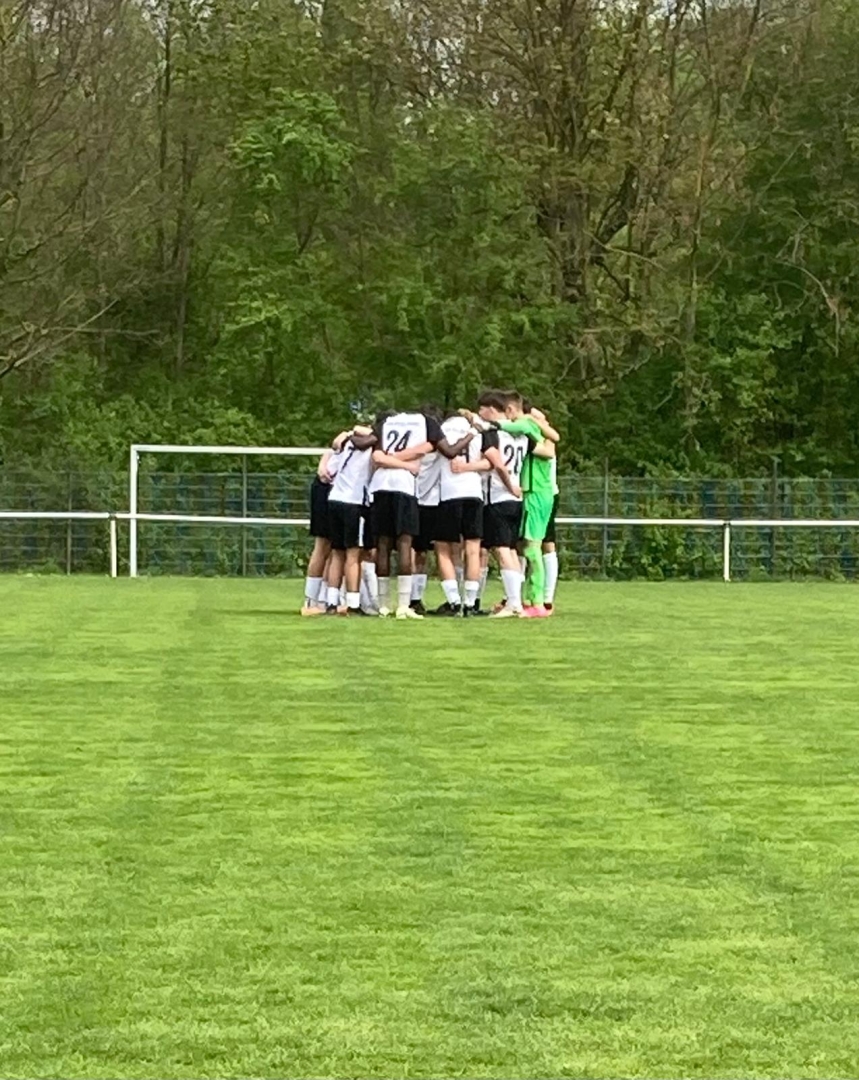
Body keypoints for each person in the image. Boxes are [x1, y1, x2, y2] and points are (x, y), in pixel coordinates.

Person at [369, 409, 475, 619]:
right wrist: (407, 462)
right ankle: (404, 604)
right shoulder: (426, 423)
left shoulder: (388, 422)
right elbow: (444, 449)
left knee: (383, 544)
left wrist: (393, 457)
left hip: (380, 485)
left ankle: (383, 605)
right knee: (405, 544)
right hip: (405, 486)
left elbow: (377, 455)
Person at [430, 410, 492, 616]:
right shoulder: (477, 432)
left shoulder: (441, 430)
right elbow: (487, 462)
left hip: (449, 494)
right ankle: (470, 602)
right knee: (473, 549)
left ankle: (454, 600)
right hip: (473, 492)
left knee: (443, 549)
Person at [322, 426, 376, 616]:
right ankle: (353, 604)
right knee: (353, 555)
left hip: (335, 499)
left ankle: (331, 602)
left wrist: (348, 433)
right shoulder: (372, 445)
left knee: (337, 553)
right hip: (354, 502)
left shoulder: (346, 444)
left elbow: (329, 470)